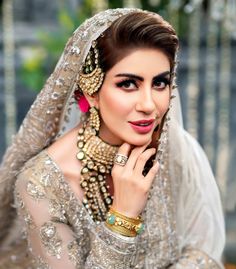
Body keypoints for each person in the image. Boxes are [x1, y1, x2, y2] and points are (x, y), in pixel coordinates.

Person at [0, 8, 225, 269]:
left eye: (160, 83)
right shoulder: (40, 185)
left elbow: (204, 253)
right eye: (128, 84)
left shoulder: (177, 148)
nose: (149, 105)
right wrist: (123, 216)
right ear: (91, 91)